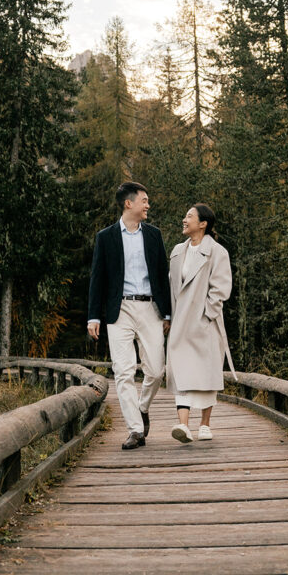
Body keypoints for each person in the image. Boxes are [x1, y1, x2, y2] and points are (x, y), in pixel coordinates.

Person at [88, 182, 171, 449]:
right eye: (144, 200)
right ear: (129, 203)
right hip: (119, 310)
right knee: (122, 372)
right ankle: (136, 430)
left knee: (156, 371)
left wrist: (167, 312)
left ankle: (142, 407)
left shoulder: (154, 235)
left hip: (150, 309)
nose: (148, 205)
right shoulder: (106, 237)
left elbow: (162, 275)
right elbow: (97, 278)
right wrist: (93, 317)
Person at [167, 203, 235, 443]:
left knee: (206, 374)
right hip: (180, 324)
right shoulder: (177, 252)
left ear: (203, 223)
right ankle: (183, 426)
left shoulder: (217, 252)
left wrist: (207, 315)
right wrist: (169, 318)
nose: (184, 220)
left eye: (189, 216)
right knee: (182, 372)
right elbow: (171, 288)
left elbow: (221, 288)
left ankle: (204, 424)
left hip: (205, 323)